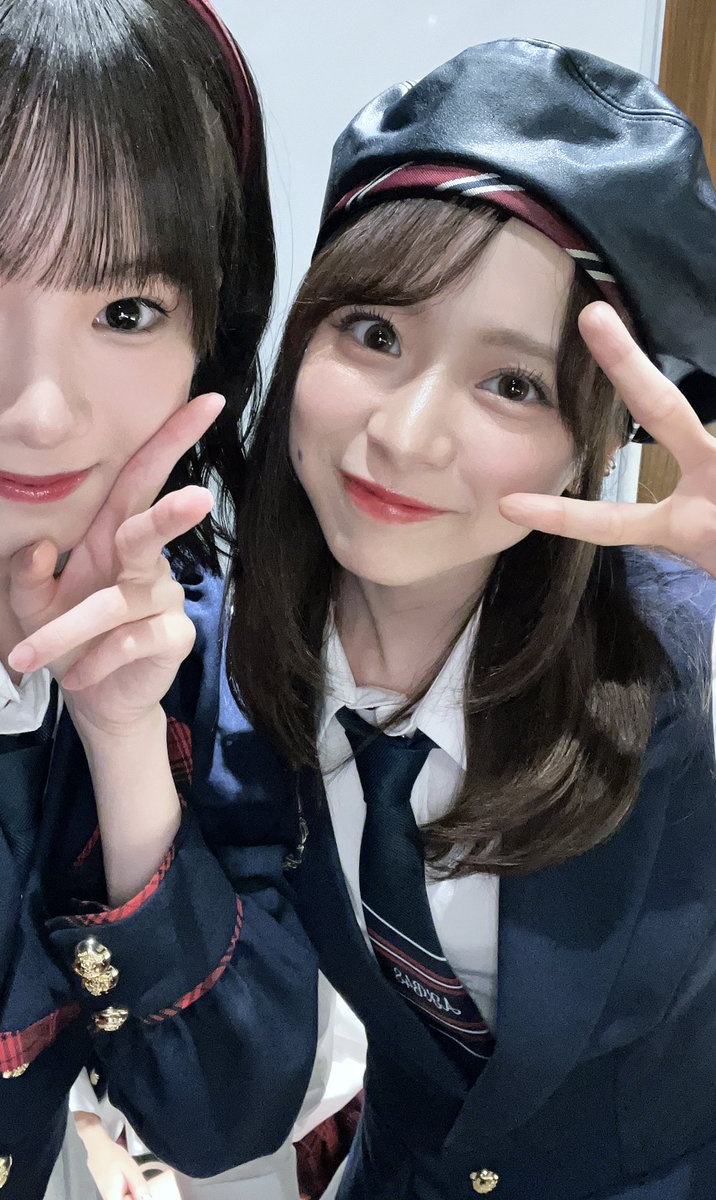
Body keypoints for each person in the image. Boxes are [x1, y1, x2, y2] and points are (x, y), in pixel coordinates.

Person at [0, 2, 316, 1197]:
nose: (37, 410)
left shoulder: (192, 646)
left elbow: (230, 1112)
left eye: (125, 311)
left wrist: (124, 743)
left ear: (212, 330)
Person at [227, 39, 716, 1199]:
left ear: (592, 442)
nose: (404, 438)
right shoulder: (219, 660)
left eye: (513, 384)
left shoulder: (686, 664)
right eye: (375, 333)